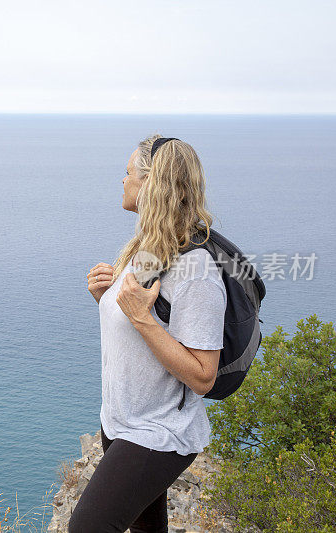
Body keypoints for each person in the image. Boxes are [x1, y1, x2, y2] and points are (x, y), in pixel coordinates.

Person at [69, 135, 227, 533]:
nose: (121, 181)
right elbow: (140, 324)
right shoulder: (150, 249)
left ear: (150, 184)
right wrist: (107, 300)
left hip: (158, 433)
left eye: (127, 173)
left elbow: (203, 375)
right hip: (120, 422)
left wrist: (140, 318)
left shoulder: (196, 269)